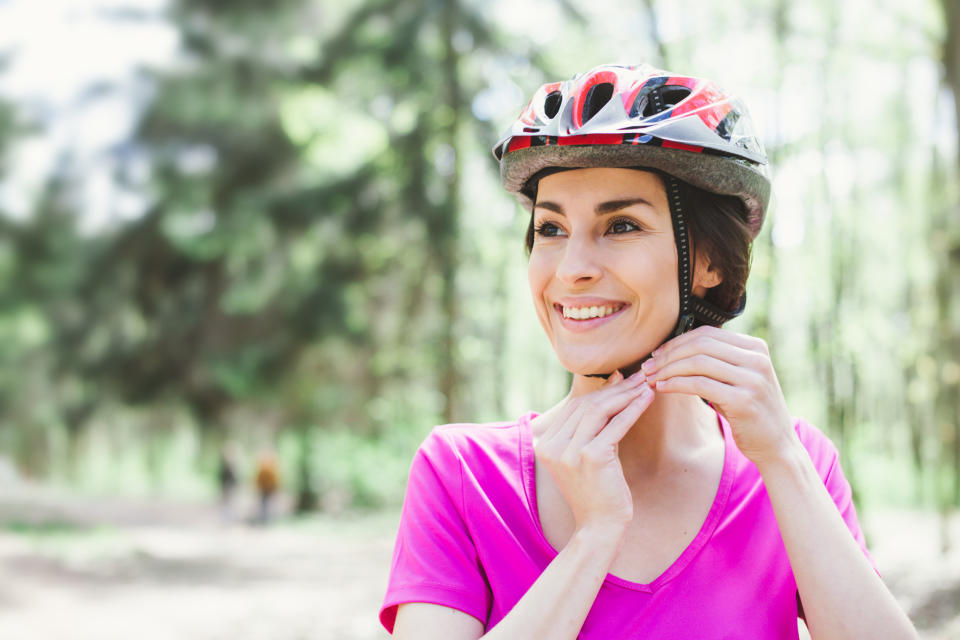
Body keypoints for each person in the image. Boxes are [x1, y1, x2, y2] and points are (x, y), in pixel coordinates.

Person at [379, 63, 918, 639]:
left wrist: (782, 458)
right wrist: (593, 539)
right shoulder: (463, 475)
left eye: (622, 226)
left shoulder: (790, 462)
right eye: (552, 230)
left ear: (708, 261)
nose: (573, 269)